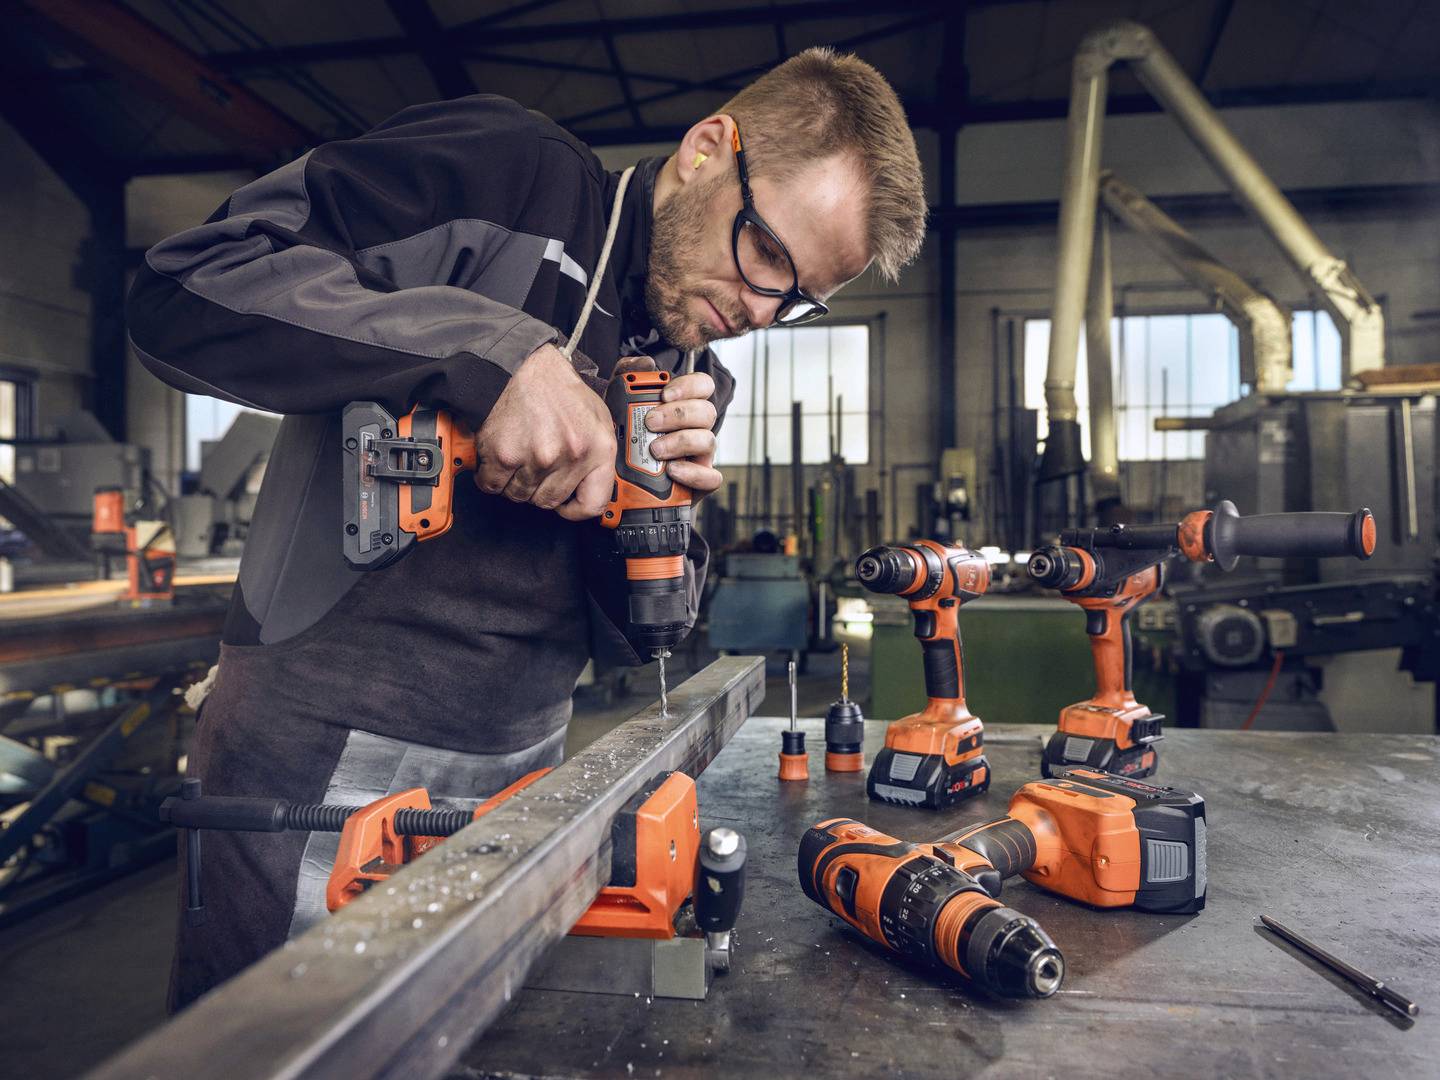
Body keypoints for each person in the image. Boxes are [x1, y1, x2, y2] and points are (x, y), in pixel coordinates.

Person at [127, 46, 926, 1009]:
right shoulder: (507, 172)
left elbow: (641, 639)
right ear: (711, 147)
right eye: (764, 255)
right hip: (314, 763)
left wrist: (658, 521)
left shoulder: (695, 370)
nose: (758, 310)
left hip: (525, 777)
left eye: (795, 302)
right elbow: (184, 290)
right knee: (268, 1048)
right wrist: (493, 358)